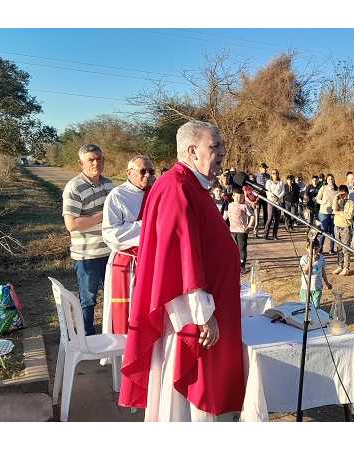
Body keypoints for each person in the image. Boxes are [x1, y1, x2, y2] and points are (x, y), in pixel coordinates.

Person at [118, 120, 245, 421]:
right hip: (188, 321)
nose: (223, 154)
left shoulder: (190, 185)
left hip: (201, 312)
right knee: (185, 406)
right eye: (215, 147)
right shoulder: (177, 188)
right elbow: (178, 261)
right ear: (192, 150)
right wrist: (202, 317)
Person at [62, 144, 113, 335]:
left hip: (110, 252)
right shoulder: (74, 187)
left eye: (99, 158)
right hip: (86, 255)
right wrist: (100, 216)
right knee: (89, 298)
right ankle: (87, 336)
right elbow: (71, 224)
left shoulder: (108, 184)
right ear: (81, 163)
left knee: (113, 295)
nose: (96, 163)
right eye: (91, 159)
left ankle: (111, 333)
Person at [101, 155, 154, 335]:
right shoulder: (117, 196)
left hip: (151, 262)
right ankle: (125, 355)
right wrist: (146, 225)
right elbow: (110, 232)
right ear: (129, 173)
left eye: (151, 171)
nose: (147, 175)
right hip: (126, 264)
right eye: (142, 171)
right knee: (127, 314)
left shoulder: (155, 193)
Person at [223, 187, 255, 274]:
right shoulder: (230, 205)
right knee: (233, 249)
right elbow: (225, 216)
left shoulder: (244, 206)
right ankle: (233, 265)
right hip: (232, 230)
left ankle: (242, 266)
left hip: (242, 231)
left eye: (241, 197)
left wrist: (249, 226)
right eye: (237, 197)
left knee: (242, 249)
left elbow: (252, 215)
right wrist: (221, 224)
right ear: (233, 196)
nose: (239, 199)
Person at [299, 239, 332, 309]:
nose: (314, 251)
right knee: (304, 307)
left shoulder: (322, 258)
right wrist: (311, 261)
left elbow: (323, 271)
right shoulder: (304, 259)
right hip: (305, 288)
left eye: (316, 249)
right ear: (306, 248)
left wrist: (327, 283)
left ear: (319, 247)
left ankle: (314, 318)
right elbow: (305, 271)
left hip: (317, 287)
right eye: (311, 249)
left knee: (315, 307)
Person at [332, 185, 354, 275]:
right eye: (340, 193)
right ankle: (339, 266)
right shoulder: (337, 201)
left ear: (347, 193)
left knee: (346, 248)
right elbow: (333, 209)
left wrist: (338, 213)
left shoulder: (351, 203)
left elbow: (349, 216)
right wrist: (336, 197)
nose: (342, 195)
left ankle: (346, 267)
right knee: (338, 248)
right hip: (337, 226)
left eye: (344, 193)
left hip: (346, 227)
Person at [316, 174, 339, 253]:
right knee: (323, 231)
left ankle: (331, 249)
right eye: (329, 179)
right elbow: (317, 199)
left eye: (332, 179)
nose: (331, 180)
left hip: (333, 213)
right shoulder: (323, 188)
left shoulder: (337, 189)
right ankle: (319, 248)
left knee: (333, 231)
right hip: (324, 212)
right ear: (326, 180)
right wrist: (323, 202)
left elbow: (339, 200)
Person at [263, 169, 286, 240]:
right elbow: (267, 191)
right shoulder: (268, 182)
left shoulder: (281, 182)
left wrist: (278, 198)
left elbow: (283, 191)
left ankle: (274, 235)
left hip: (278, 202)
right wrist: (272, 198)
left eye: (276, 173)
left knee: (277, 219)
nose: (275, 174)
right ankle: (266, 234)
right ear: (271, 174)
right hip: (271, 202)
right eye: (273, 173)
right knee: (270, 218)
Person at [254, 163, 269, 227]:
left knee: (266, 210)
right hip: (258, 195)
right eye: (264, 168)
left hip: (266, 195)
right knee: (257, 211)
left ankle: (266, 225)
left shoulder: (268, 176)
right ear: (260, 168)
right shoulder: (256, 176)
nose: (265, 169)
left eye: (266, 168)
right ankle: (256, 225)